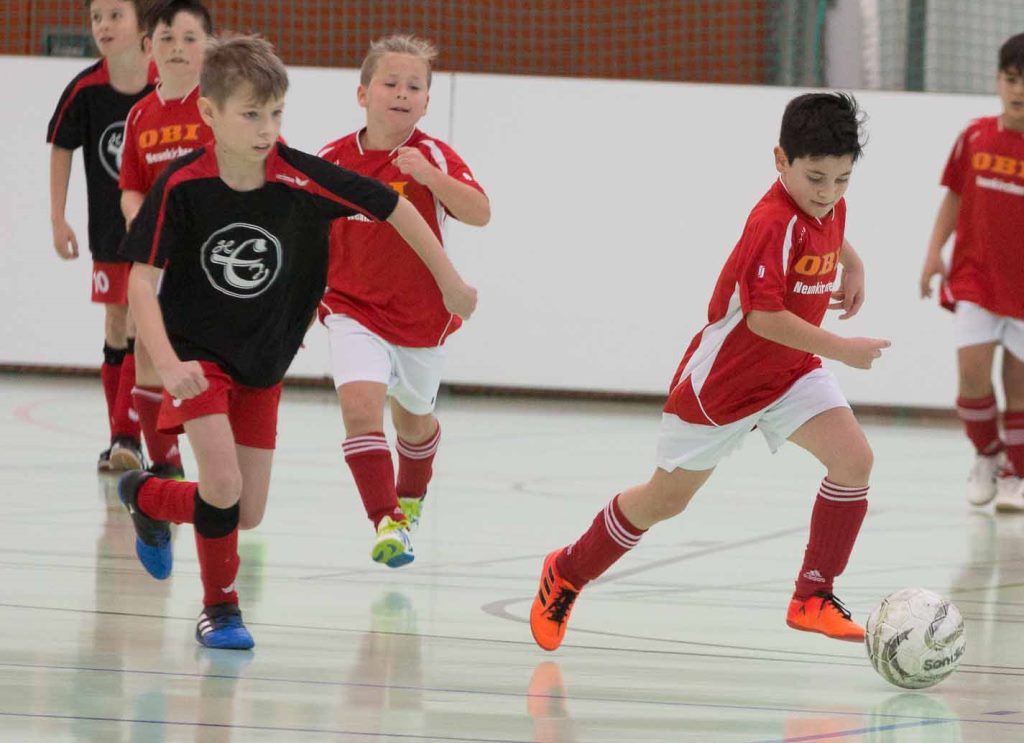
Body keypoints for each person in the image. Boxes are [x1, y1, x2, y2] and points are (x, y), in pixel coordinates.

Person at [117, 34, 477, 649]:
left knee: (245, 511)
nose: (266, 129)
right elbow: (141, 284)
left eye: (276, 114)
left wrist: (450, 281)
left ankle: (147, 497)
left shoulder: (300, 176)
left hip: (263, 362)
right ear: (209, 112)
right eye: (250, 115)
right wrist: (170, 363)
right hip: (198, 358)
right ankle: (220, 610)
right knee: (223, 486)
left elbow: (395, 209)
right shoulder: (182, 186)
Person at [529, 92, 889, 652]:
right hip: (723, 386)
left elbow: (833, 228)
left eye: (842, 180)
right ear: (780, 160)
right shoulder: (771, 222)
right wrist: (843, 348)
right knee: (664, 500)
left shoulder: (829, 206)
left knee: (854, 460)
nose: (827, 193)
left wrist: (855, 263)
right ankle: (568, 570)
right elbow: (765, 319)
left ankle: (813, 595)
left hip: (791, 374)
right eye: (816, 178)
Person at [318, 35, 490, 568]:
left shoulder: (432, 155)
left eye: (414, 87)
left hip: (419, 317)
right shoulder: (332, 159)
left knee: (414, 421)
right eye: (390, 83)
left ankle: (410, 495)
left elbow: (480, 212)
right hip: (350, 307)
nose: (401, 93)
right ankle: (387, 521)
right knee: (359, 407)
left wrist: (429, 177)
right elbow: (305, 232)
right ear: (362, 93)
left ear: (427, 102)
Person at [47, 0, 156, 471]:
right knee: (117, 324)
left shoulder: (165, 83)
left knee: (141, 327)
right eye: (96, 18)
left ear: (141, 23)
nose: (103, 26)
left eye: (115, 15)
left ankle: (130, 436)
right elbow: (61, 146)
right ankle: (120, 437)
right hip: (109, 230)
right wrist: (58, 219)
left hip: (157, 231)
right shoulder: (86, 89)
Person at [920, 32, 1024, 513]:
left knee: (1018, 387)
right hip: (976, 279)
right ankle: (988, 455)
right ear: (998, 80)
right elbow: (955, 196)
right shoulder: (975, 136)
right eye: (1011, 79)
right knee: (972, 379)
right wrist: (933, 253)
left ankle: (1016, 475)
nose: (1019, 90)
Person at [119, 0, 215, 479]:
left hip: (212, 255)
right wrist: (142, 223)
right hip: (160, 255)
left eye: (189, 38)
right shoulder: (139, 115)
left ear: (209, 47)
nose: (178, 48)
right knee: (147, 349)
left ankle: (220, 462)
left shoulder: (219, 106)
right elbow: (131, 186)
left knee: (212, 357)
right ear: (148, 46)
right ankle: (164, 465)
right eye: (167, 38)